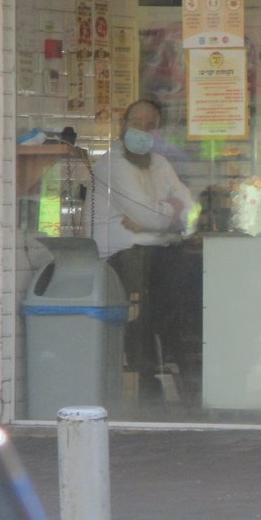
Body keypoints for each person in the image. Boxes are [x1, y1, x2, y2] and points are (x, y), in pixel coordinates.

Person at [91, 99, 199, 403]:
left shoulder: (160, 164)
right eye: (136, 123)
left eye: (149, 125)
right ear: (123, 125)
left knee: (195, 278)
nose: (142, 129)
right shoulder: (113, 165)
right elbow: (151, 215)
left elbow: (191, 212)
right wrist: (169, 215)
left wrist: (159, 218)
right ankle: (153, 380)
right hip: (123, 256)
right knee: (165, 295)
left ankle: (188, 375)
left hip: (159, 253)